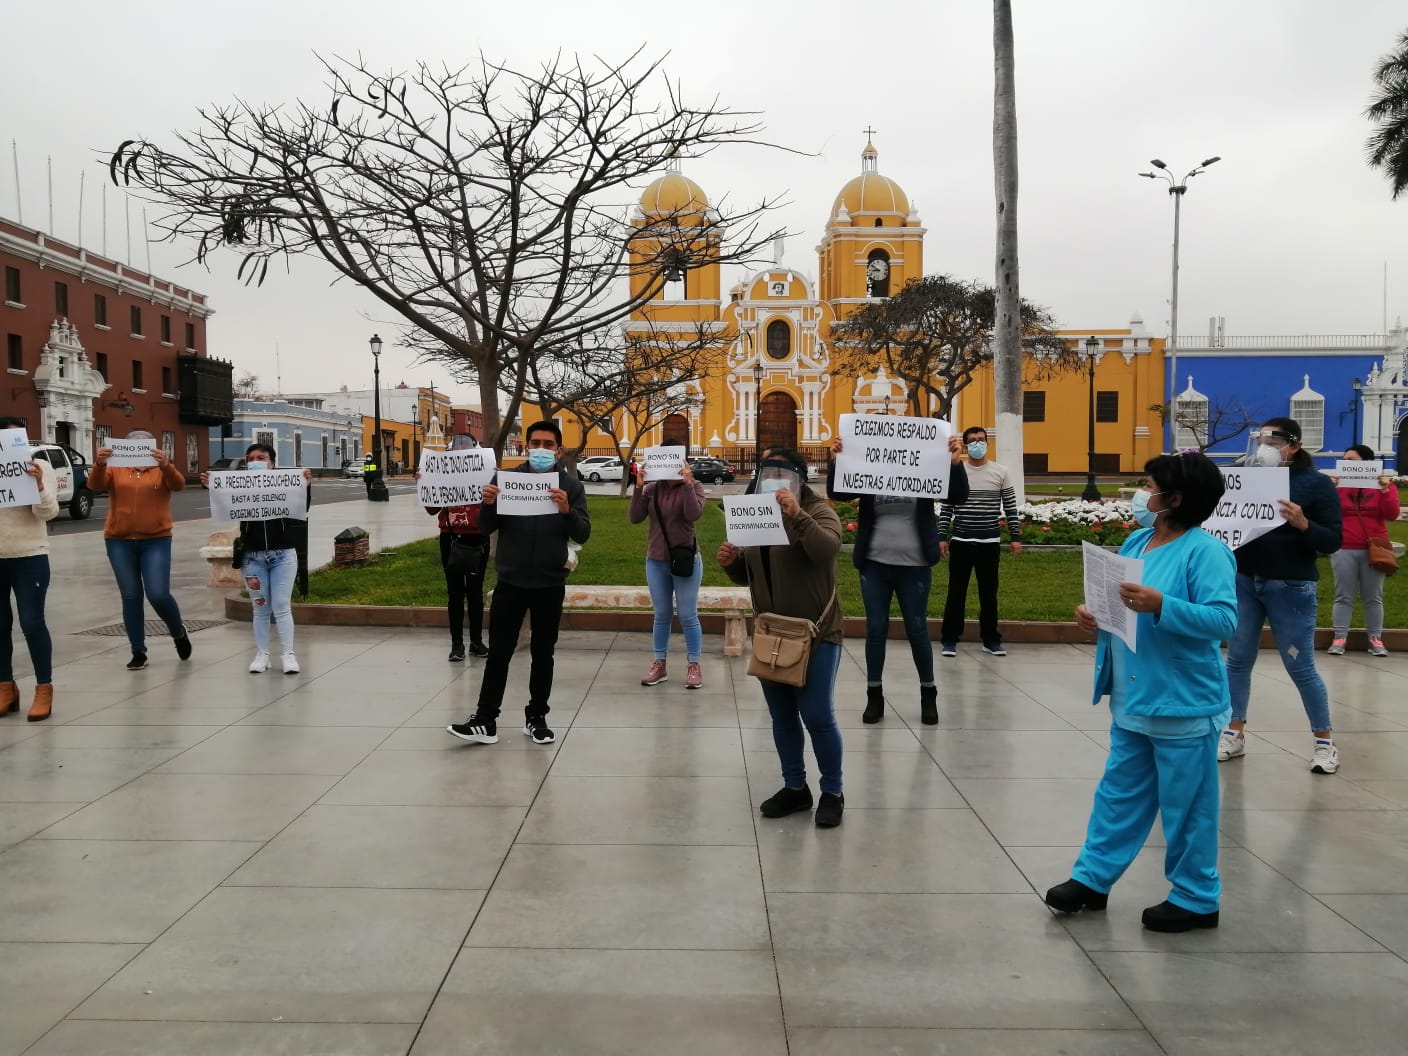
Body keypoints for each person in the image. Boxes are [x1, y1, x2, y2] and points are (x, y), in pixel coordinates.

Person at [1046, 452, 1237, 933]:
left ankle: (1197, 896)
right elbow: (1117, 604)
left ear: (1174, 499)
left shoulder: (1205, 551)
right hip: (1133, 696)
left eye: (1148, 485)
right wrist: (1091, 615)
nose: (1139, 494)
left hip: (1181, 701)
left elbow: (1223, 620)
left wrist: (1163, 605)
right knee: (1118, 795)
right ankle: (1092, 878)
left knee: (1187, 808)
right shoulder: (1138, 539)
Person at [718, 447, 846, 828]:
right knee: (782, 717)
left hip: (817, 635)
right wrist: (731, 564)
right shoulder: (755, 512)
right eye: (766, 469)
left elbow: (827, 549)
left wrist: (798, 515)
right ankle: (795, 787)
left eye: (782, 469)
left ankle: (833, 792)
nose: (772, 476)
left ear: (799, 477)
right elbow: (753, 573)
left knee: (818, 716)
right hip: (772, 635)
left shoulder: (819, 510)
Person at [448, 420, 590, 746]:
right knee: (499, 652)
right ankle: (485, 720)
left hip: (549, 582)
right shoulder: (507, 481)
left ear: (559, 450)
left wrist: (567, 511)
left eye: (548, 444)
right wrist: (487, 504)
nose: (541, 450)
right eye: (535, 443)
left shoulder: (570, 485)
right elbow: (486, 527)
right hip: (511, 581)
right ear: (525, 446)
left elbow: (583, 532)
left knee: (543, 653)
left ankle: (536, 717)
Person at [1219, 417, 1343, 774]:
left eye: (1274, 443)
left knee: (1299, 664)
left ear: (1294, 446)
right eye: (1261, 441)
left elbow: (1332, 539)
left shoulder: (1315, 485)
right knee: (1238, 659)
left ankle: (1324, 742)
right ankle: (1234, 730)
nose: (1265, 449)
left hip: (1291, 586)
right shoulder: (1244, 479)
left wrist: (1304, 524)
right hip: (1245, 580)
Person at [826, 430, 970, 725]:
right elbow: (838, 493)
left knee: (917, 628)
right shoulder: (869, 470)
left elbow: (958, 496)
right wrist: (836, 461)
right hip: (875, 564)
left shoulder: (924, 470)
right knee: (875, 628)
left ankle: (928, 692)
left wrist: (955, 464)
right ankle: (874, 695)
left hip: (914, 566)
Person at [87, 430, 192, 670]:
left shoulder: (159, 468)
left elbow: (179, 485)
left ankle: (178, 632)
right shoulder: (115, 467)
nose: (138, 448)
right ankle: (138, 650)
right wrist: (100, 464)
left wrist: (166, 465)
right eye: (133, 444)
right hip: (119, 540)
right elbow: (95, 485)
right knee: (131, 596)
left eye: (144, 445)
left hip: (156, 539)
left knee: (158, 594)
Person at [202, 444, 311, 674]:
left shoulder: (284, 483)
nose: (255, 461)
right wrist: (211, 487)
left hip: (283, 554)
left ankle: (288, 654)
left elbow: (301, 507)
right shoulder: (241, 487)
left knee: (281, 605)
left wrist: (306, 486)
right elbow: (224, 503)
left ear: (272, 462)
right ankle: (262, 654)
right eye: (251, 458)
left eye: (261, 457)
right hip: (253, 557)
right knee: (260, 606)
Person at [938, 426, 1023, 657]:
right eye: (973, 440)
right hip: (961, 541)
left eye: (981, 440)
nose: (978, 444)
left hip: (989, 542)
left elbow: (1010, 507)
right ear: (965, 446)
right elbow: (947, 508)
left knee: (988, 594)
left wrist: (1015, 537)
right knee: (956, 593)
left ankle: (991, 639)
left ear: (987, 442)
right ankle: (949, 639)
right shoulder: (957, 471)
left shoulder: (1001, 472)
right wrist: (942, 537)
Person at [0, 418, 60, 722]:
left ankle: (43, 688)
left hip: (30, 556)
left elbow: (48, 513)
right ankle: (5, 687)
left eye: (17, 440)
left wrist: (36, 484)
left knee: (31, 622)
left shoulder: (41, 467)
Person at [629, 456, 706, 688]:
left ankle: (694, 665)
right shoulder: (652, 489)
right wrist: (639, 487)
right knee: (661, 614)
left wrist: (688, 484)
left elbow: (693, 515)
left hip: (685, 560)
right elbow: (635, 517)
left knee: (687, 614)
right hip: (656, 560)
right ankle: (659, 663)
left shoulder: (695, 487)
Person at [1328, 444, 1399, 657]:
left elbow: (1392, 514)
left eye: (1352, 460)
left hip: (1374, 548)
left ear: (1366, 464)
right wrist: (1331, 490)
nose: (1346, 464)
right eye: (1344, 460)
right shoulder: (1338, 486)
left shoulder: (1383, 486)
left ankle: (1375, 639)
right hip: (1344, 547)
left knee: (1373, 596)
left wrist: (1385, 490)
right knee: (1343, 596)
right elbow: (1328, 512)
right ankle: (1339, 637)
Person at [427, 435, 489, 662]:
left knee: (475, 592)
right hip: (451, 538)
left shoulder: (486, 476)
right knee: (455, 593)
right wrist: (425, 484)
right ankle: (456, 644)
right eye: (457, 450)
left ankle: (476, 641)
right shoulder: (442, 477)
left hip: (478, 539)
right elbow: (432, 509)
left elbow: (496, 507)